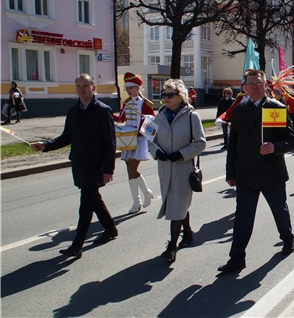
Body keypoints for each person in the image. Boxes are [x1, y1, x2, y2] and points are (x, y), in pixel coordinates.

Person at [30, 74, 117, 259]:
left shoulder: (103, 110)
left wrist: (108, 169)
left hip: (95, 166)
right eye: (78, 85)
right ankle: (110, 229)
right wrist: (46, 145)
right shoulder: (72, 111)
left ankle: (77, 246)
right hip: (79, 164)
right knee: (94, 199)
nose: (81, 89)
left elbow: (110, 143)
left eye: (85, 85)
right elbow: (66, 137)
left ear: (93, 87)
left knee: (86, 204)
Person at [218, 69, 294, 273]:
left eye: (259, 82)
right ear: (244, 87)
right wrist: (230, 173)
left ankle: (287, 239)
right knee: (243, 217)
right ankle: (237, 258)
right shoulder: (240, 110)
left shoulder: (274, 108)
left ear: (265, 85)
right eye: (250, 83)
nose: (255, 86)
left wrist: (275, 147)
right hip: (245, 173)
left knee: (280, 211)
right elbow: (233, 144)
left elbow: (290, 140)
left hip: (271, 172)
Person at [149, 79, 206, 262]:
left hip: (183, 169)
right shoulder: (158, 116)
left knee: (176, 206)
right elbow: (151, 141)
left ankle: (172, 246)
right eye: (163, 94)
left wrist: (181, 154)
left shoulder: (191, 116)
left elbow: (200, 143)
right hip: (165, 168)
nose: (166, 98)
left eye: (170, 94)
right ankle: (187, 232)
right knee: (177, 204)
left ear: (180, 97)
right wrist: (157, 153)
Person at [114, 72, 155, 214]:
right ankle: (136, 202)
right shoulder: (126, 103)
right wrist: (109, 115)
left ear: (138, 88)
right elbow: (121, 118)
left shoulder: (145, 103)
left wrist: (147, 117)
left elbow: (153, 121)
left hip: (139, 139)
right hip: (127, 139)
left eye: (131, 88)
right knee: (129, 172)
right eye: (127, 88)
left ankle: (146, 193)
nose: (129, 91)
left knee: (133, 170)